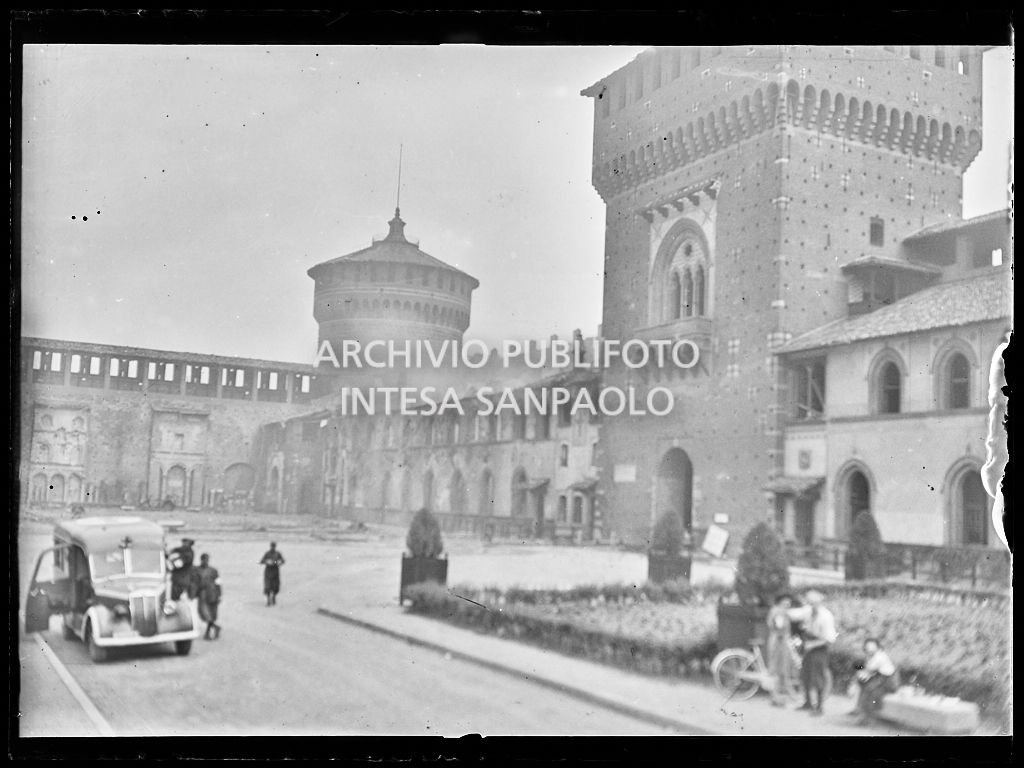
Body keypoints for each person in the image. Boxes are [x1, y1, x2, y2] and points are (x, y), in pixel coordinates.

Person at [789, 589, 837, 716]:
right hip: (809, 645)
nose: (810, 605)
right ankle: (808, 703)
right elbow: (794, 614)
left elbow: (830, 639)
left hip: (820, 648)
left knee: (818, 677)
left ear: (819, 602)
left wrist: (813, 645)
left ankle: (820, 707)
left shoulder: (826, 616)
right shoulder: (808, 610)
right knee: (806, 675)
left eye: (813, 602)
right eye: (809, 602)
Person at [849, 637, 901, 724]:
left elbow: (869, 670)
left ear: (877, 647)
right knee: (864, 686)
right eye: (867, 647)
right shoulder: (871, 657)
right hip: (879, 678)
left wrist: (860, 673)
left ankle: (868, 718)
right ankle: (861, 711)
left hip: (888, 681)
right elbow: (866, 671)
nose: (869, 649)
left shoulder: (879, 656)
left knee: (870, 690)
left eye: (872, 647)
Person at [766, 593, 798, 707]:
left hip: (777, 640)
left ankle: (778, 696)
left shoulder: (776, 610)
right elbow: (779, 626)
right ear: (782, 601)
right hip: (779, 642)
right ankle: (777, 697)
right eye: (786, 601)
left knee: (779, 669)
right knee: (780, 668)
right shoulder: (779, 612)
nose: (788, 603)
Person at [194, 553, 222, 640]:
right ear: (201, 560)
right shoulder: (196, 570)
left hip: (212, 593)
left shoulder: (213, 570)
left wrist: (219, 594)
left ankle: (207, 633)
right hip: (202, 593)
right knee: (203, 613)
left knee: (211, 613)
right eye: (204, 559)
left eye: (207, 560)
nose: (205, 561)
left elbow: (218, 583)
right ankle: (215, 627)